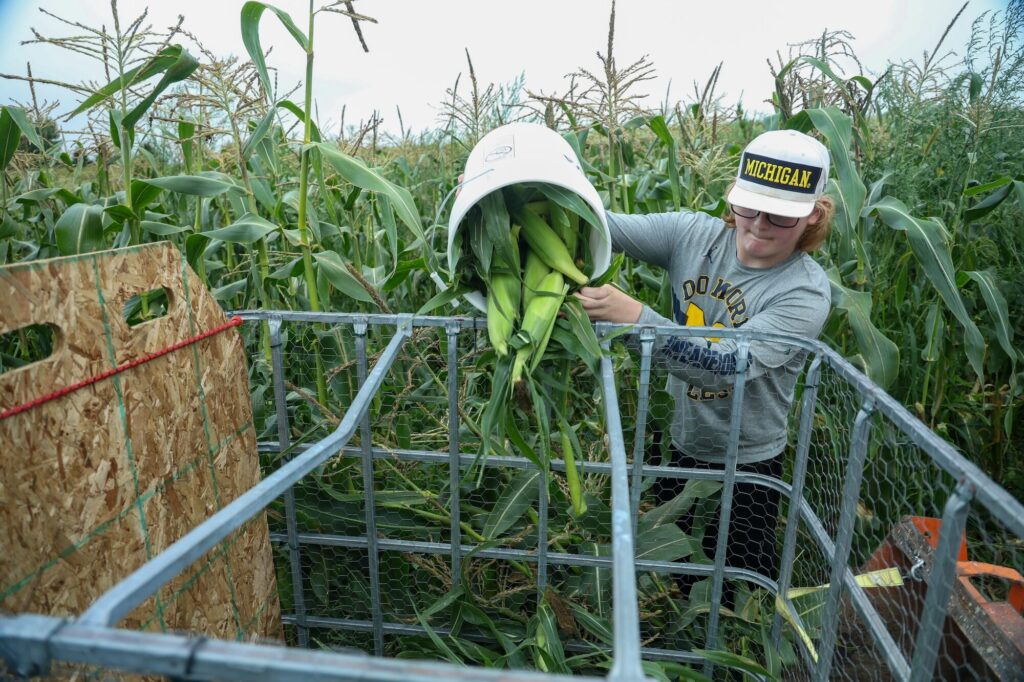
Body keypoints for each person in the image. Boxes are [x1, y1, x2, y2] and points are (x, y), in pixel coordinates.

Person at [576, 129, 834, 604]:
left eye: (780, 215)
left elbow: (724, 369)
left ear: (813, 216)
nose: (757, 225)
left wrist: (636, 319)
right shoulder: (692, 235)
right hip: (681, 440)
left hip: (746, 464)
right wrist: (516, 190)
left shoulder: (803, 293)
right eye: (747, 207)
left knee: (736, 588)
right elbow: (597, 224)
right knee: (681, 575)